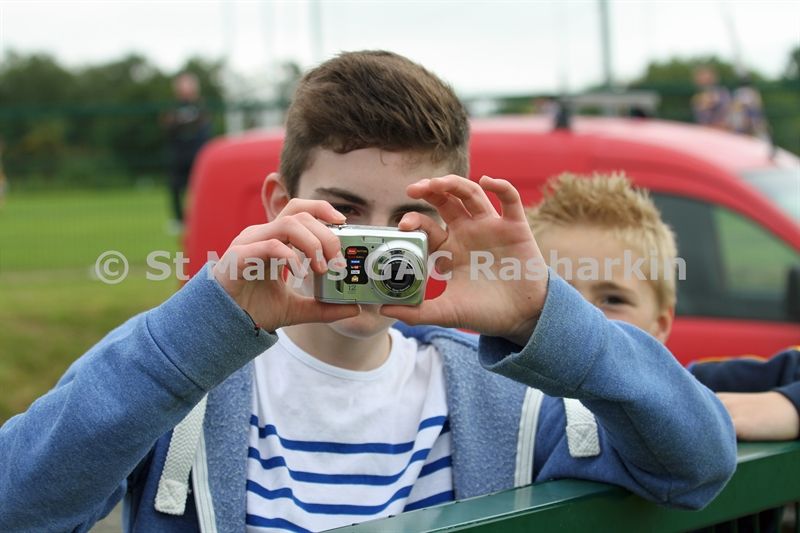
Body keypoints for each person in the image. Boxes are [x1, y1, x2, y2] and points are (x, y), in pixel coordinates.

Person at [0, 51, 736, 533]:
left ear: (445, 225)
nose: (375, 246)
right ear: (277, 203)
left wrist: (545, 315)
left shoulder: (501, 398)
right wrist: (198, 333)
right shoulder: (191, 378)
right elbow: (17, 503)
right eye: (344, 210)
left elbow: (696, 464)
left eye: (409, 216)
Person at [525, 172, 800, 442]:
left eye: (613, 299)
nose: (584, 315)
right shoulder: (507, 395)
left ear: (660, 324)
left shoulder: (691, 389)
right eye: (560, 296)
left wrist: (788, 404)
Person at [162, 72, 211, 234]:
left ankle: (200, 217)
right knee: (175, 187)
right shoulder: (173, 108)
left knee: (199, 188)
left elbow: (204, 130)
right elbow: (169, 128)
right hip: (179, 156)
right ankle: (179, 220)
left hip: (197, 155)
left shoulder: (201, 107)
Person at [692, 65, 732, 130]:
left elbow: (727, 110)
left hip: (722, 130)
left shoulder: (722, 93)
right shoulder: (697, 98)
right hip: (707, 130)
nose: (704, 80)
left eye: (706, 77)